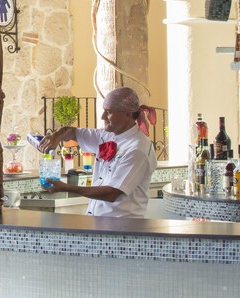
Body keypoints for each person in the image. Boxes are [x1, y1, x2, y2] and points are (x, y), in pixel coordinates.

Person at [37, 86, 157, 218]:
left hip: (122, 226)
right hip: (99, 223)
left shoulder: (137, 149)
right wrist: (56, 136)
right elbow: (72, 132)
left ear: (127, 114)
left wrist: (66, 187)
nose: (102, 116)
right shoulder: (106, 135)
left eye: (108, 112)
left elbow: (112, 193)